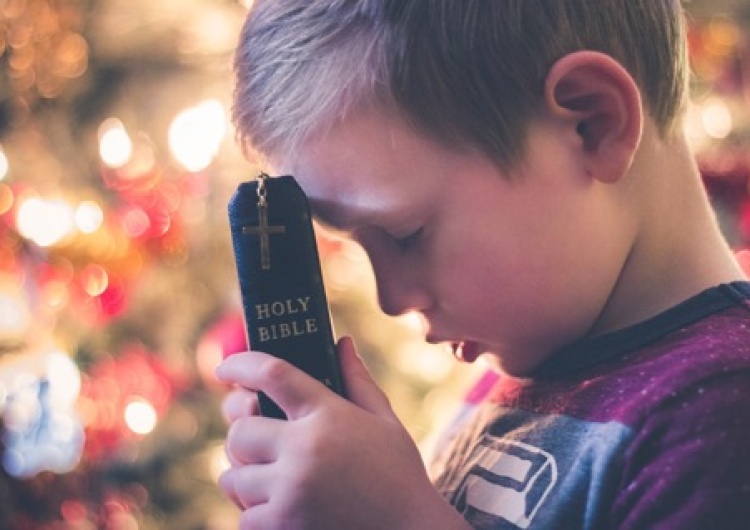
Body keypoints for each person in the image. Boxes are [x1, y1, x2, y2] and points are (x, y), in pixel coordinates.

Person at [215, 1, 750, 528]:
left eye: (406, 235)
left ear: (592, 122)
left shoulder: (724, 415)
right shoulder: (515, 381)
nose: (391, 299)